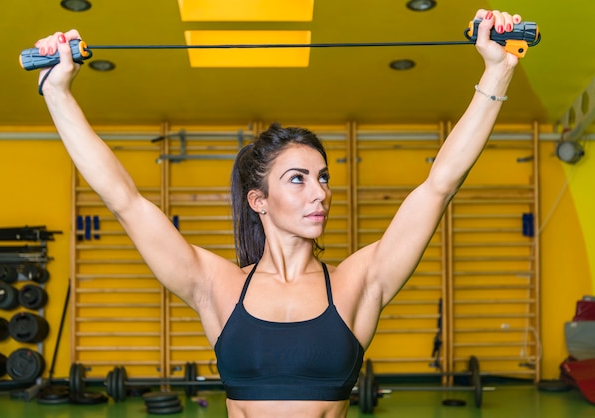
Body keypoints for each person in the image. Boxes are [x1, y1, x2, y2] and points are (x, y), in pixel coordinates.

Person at [33, 8, 521, 418]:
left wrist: (496, 72)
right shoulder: (216, 286)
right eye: (298, 178)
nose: (320, 193)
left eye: (323, 177)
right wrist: (57, 92)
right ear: (258, 201)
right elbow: (125, 200)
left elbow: (439, 185)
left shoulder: (359, 283)